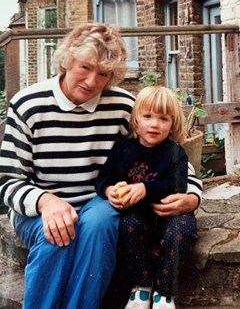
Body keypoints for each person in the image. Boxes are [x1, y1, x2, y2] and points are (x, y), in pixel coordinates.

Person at [0, 22, 202, 309]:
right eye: (85, 67)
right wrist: (45, 202)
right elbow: (9, 179)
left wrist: (191, 197)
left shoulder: (121, 106)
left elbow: (167, 157)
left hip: (99, 201)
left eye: (104, 74)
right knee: (55, 235)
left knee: (99, 224)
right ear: (67, 60)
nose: (93, 81)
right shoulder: (28, 105)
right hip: (40, 206)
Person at [96, 86, 200, 309]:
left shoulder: (175, 152)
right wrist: (110, 190)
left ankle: (164, 291)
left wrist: (145, 188)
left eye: (163, 118)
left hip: (170, 216)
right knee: (126, 226)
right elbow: (104, 177)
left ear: (173, 123)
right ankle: (141, 287)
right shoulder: (123, 149)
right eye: (148, 116)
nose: (154, 124)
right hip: (138, 217)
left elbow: (178, 184)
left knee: (184, 230)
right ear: (135, 121)